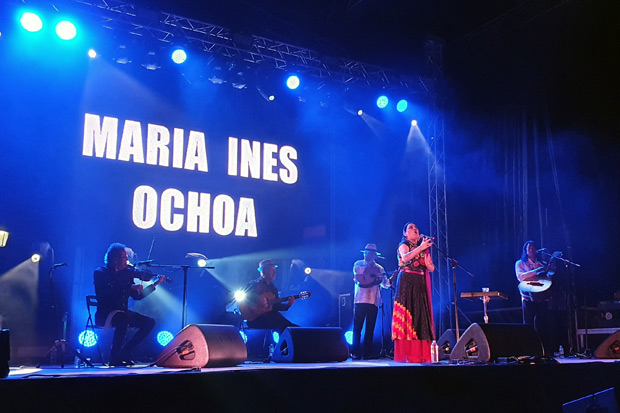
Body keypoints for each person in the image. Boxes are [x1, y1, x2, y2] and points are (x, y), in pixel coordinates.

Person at [93, 243, 165, 366]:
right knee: (123, 318)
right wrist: (130, 286)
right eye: (124, 258)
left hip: (122, 313)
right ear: (115, 259)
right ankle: (114, 357)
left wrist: (154, 285)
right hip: (106, 313)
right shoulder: (100, 272)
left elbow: (137, 296)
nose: (127, 261)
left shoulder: (126, 274)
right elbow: (108, 291)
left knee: (149, 322)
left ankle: (126, 350)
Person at [392, 222, 435, 363]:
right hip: (406, 282)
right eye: (411, 228)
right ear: (405, 233)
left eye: (416, 227)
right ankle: (407, 353)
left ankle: (420, 353)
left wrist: (428, 262)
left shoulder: (423, 248)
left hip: (420, 283)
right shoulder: (403, 245)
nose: (415, 229)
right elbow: (405, 258)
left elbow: (432, 268)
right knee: (408, 315)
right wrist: (422, 247)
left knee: (420, 315)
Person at [351, 243, 389, 360]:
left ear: (375, 255)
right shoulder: (358, 264)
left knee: (370, 328)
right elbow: (360, 276)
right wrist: (375, 273)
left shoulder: (380, 268)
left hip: (373, 301)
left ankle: (366, 353)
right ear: (365, 254)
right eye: (367, 253)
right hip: (360, 300)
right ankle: (355, 352)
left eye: (372, 253)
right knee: (357, 328)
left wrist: (390, 278)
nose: (369, 255)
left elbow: (385, 284)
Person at [515, 240, 554, 346]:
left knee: (541, 324)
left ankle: (542, 348)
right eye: (529, 248)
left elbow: (548, 276)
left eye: (533, 248)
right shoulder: (520, 263)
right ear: (526, 250)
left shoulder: (542, 263)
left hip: (541, 297)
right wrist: (536, 271)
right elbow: (520, 276)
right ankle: (529, 347)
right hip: (528, 297)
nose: (531, 250)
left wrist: (548, 272)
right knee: (528, 323)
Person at [241, 259, 298, 333]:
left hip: (270, 316)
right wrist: (258, 298)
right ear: (263, 271)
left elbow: (276, 306)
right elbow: (243, 298)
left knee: (290, 327)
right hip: (256, 318)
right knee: (283, 326)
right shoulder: (254, 285)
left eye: (274, 270)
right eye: (271, 270)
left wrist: (288, 305)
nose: (274, 273)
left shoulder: (273, 288)